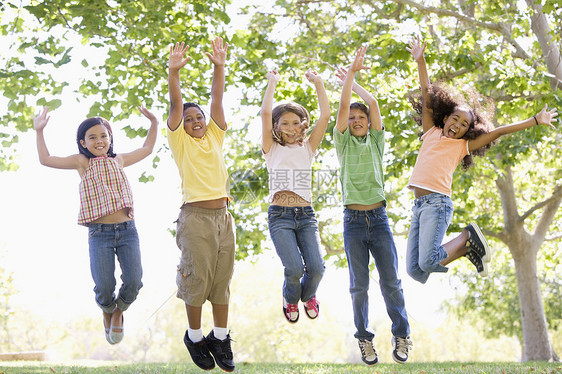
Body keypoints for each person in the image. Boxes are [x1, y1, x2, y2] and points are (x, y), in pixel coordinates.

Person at [405, 35, 558, 284]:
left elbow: (497, 132)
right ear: (445, 119)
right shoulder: (430, 131)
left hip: (437, 204)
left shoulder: (461, 146)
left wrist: (535, 120)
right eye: (455, 119)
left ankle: (468, 234)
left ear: (468, 131)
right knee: (415, 270)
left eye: (465, 124)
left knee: (428, 261)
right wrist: (420, 61)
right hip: (419, 207)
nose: (458, 125)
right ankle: (468, 248)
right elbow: (426, 92)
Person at [33, 105, 158, 345]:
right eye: (92, 137)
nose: (99, 140)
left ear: (110, 139)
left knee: (134, 281)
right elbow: (46, 159)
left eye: (103, 136)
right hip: (99, 234)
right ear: (83, 142)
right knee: (104, 285)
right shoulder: (82, 163)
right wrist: (39, 131)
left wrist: (153, 123)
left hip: (127, 231)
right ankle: (107, 310)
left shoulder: (119, 160)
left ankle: (118, 312)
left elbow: (147, 148)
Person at [334, 46, 412, 365]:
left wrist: (355, 82)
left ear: (368, 122)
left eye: (360, 117)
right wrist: (348, 80)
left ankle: (401, 334)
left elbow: (374, 103)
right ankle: (364, 339)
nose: (355, 120)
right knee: (359, 285)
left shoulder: (377, 143)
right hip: (353, 221)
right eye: (351, 118)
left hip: (379, 219)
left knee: (390, 280)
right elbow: (341, 108)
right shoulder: (342, 143)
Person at [167, 37, 235, 372]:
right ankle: (194, 338)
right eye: (189, 118)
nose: (195, 121)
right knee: (196, 281)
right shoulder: (180, 141)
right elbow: (176, 104)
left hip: (224, 217)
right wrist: (174, 73)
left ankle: (220, 337)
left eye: (200, 118)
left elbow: (217, 98)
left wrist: (219, 66)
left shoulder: (215, 136)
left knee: (222, 281)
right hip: (195, 217)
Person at [261, 68, 330, 324]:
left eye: (295, 122)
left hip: (306, 216)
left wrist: (319, 83)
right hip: (280, 216)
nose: (290, 127)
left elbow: (325, 115)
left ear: (303, 125)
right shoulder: (271, 149)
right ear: (276, 127)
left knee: (316, 269)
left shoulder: (308, 147)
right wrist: (272, 83)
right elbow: (266, 112)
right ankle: (290, 299)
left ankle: (308, 296)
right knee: (293, 269)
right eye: (284, 123)